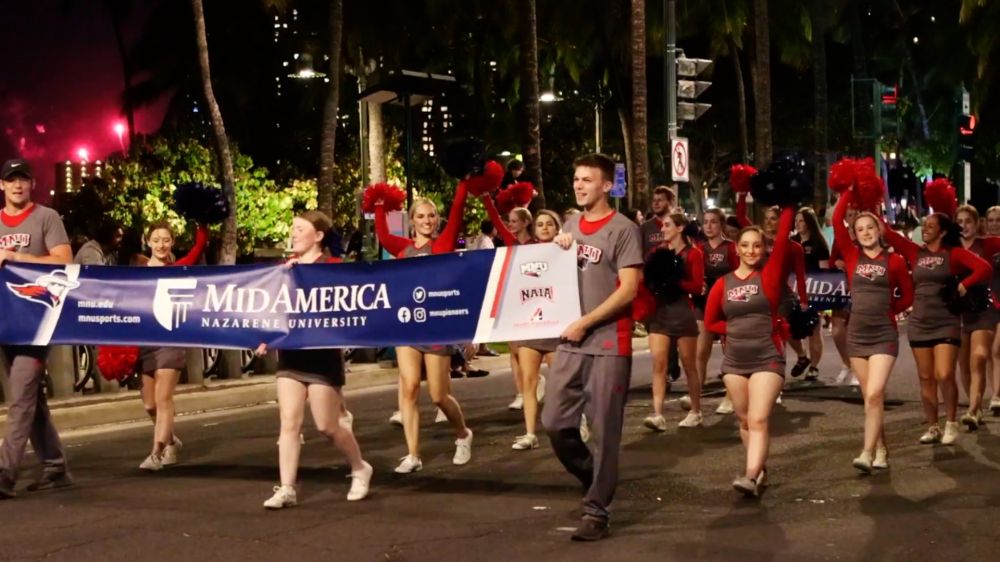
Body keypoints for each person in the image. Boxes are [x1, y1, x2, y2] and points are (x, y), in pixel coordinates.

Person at [546, 153, 642, 541]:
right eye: (576, 178)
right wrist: (556, 249)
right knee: (554, 422)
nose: (579, 185)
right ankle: (594, 477)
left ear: (606, 185)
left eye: (587, 179)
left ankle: (597, 511)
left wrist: (585, 322)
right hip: (570, 343)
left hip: (608, 343)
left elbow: (629, 289)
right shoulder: (570, 225)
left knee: (604, 432)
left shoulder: (623, 229)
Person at [256, 211, 372, 508]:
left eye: (300, 229)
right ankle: (287, 488)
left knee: (327, 426)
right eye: (292, 228)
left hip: (322, 359)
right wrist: (265, 338)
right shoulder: (284, 270)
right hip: (291, 357)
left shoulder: (333, 268)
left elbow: (351, 302)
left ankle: (360, 467)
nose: (293, 234)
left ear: (318, 236)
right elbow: (273, 310)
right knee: (289, 423)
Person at [374, 183, 474, 473]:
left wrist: (464, 183)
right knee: (409, 388)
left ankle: (463, 434)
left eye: (431, 216)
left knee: (439, 395)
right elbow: (383, 236)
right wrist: (378, 203)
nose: (427, 221)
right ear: (412, 221)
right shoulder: (403, 248)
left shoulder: (442, 244)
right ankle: (413, 455)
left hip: (436, 327)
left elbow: (457, 211)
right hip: (407, 325)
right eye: (421, 216)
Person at [703, 203, 797, 498]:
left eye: (757, 245)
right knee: (744, 420)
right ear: (737, 249)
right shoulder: (723, 284)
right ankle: (760, 471)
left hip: (767, 357)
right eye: (745, 245)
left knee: (758, 419)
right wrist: (734, 330)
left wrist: (789, 204)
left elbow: (783, 236)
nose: (751, 251)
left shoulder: (769, 276)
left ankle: (751, 474)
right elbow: (710, 321)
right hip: (734, 361)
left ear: (764, 249)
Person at [0, 159, 74, 499]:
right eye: (11, 180)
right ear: (2, 185)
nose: (17, 185)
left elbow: (64, 262)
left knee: (20, 398)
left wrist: (17, 258)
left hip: (36, 325)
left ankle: (5, 473)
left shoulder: (47, 217)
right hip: (4, 324)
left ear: (32, 184)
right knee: (29, 399)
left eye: (23, 179)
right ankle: (55, 465)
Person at [881, 213, 990, 445]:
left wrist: (963, 285)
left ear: (943, 231)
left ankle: (950, 422)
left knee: (945, 374)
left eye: (931, 226)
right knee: (926, 377)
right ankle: (933, 427)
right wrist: (869, 205)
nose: (925, 229)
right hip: (919, 323)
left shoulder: (954, 253)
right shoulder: (915, 252)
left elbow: (984, 268)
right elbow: (888, 234)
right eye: (924, 225)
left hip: (946, 322)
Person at [832, 189, 913, 472]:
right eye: (860, 229)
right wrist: (848, 190)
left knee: (876, 394)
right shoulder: (851, 256)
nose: (866, 232)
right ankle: (881, 448)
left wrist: (889, 310)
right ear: (854, 235)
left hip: (883, 335)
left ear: (880, 230)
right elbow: (836, 220)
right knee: (870, 398)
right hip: (857, 336)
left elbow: (908, 296)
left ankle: (866, 452)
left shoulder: (895, 261)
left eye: (870, 227)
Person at [136, 220, 209, 470]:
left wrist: (202, 223)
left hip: (170, 341)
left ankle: (156, 453)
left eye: (166, 240)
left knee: (163, 398)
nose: (161, 245)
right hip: (146, 343)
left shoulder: (178, 269)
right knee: (150, 404)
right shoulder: (137, 272)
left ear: (173, 242)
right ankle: (170, 440)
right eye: (156, 240)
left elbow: (198, 248)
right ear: (148, 242)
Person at [489, 209, 563, 450]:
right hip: (530, 327)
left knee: (561, 383)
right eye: (540, 224)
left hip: (556, 327)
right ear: (534, 228)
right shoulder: (523, 252)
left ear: (557, 228)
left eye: (549, 224)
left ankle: (575, 421)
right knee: (528, 383)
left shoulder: (565, 250)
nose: (544, 228)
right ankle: (530, 434)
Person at [643, 213, 705, 430]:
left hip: (682, 312)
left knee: (689, 365)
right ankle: (658, 414)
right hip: (659, 313)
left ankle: (696, 411)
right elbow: (647, 278)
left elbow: (697, 286)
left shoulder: (693, 253)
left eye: (667, 225)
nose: (663, 229)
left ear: (680, 228)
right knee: (658, 364)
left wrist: (675, 280)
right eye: (662, 225)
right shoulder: (656, 252)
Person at [482, 202, 541, 411]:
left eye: (515, 221)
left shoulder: (537, 244)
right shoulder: (510, 241)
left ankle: (533, 384)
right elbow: (496, 219)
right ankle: (521, 392)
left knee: (525, 350)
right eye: (510, 221)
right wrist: (486, 197)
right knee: (513, 350)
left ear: (526, 223)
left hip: (533, 301)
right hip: (513, 300)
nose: (510, 224)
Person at [954, 205, 1000, 429]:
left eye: (968, 221)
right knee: (963, 363)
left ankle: (973, 408)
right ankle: (977, 405)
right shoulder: (950, 248)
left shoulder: (987, 244)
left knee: (979, 357)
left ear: (976, 223)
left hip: (984, 309)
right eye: (960, 222)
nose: (964, 226)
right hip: (958, 312)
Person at [696, 208, 738, 415]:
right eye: (705, 222)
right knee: (700, 350)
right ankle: (696, 392)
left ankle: (730, 396)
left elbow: (739, 273)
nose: (708, 226)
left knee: (729, 350)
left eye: (713, 222)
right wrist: (699, 283)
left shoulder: (731, 248)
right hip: (703, 303)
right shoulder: (699, 248)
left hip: (726, 301)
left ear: (721, 224)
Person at [789, 207, 831, 379]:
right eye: (796, 220)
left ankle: (814, 366)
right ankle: (802, 356)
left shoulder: (818, 244)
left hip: (814, 290)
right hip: (793, 291)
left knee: (814, 330)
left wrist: (823, 298)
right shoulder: (792, 242)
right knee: (788, 327)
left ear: (809, 222)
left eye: (801, 220)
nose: (798, 224)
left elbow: (824, 271)